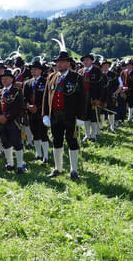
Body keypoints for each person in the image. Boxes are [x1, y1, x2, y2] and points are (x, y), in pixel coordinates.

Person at [42, 49, 85, 181]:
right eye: (57, 62)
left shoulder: (77, 78)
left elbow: (83, 99)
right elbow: (45, 97)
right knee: (57, 141)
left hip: (70, 115)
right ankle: (58, 168)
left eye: (62, 62)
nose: (59, 65)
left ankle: (74, 170)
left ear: (68, 63)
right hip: (55, 115)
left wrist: (81, 117)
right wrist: (45, 114)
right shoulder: (51, 77)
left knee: (72, 141)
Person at [0, 69, 25, 173]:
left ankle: (20, 165)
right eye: (2, 78)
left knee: (17, 143)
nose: (4, 80)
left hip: (13, 121)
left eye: (6, 78)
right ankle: (10, 163)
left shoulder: (17, 92)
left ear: (12, 79)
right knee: (5, 143)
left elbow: (19, 107)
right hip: (1, 122)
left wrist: (7, 117)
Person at [23, 60, 50, 164]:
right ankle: (38, 154)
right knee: (35, 134)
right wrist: (28, 106)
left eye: (35, 69)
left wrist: (38, 107)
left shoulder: (45, 82)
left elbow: (47, 98)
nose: (33, 71)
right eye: (32, 69)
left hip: (41, 112)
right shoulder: (27, 83)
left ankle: (46, 156)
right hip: (30, 112)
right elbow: (24, 97)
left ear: (40, 70)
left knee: (43, 134)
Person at [79, 54, 104, 142]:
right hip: (82, 98)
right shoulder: (80, 72)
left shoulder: (97, 71)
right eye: (84, 60)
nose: (86, 62)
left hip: (93, 97)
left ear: (91, 61)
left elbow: (101, 86)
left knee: (93, 116)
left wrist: (98, 99)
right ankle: (87, 135)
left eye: (88, 60)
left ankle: (93, 135)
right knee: (85, 116)